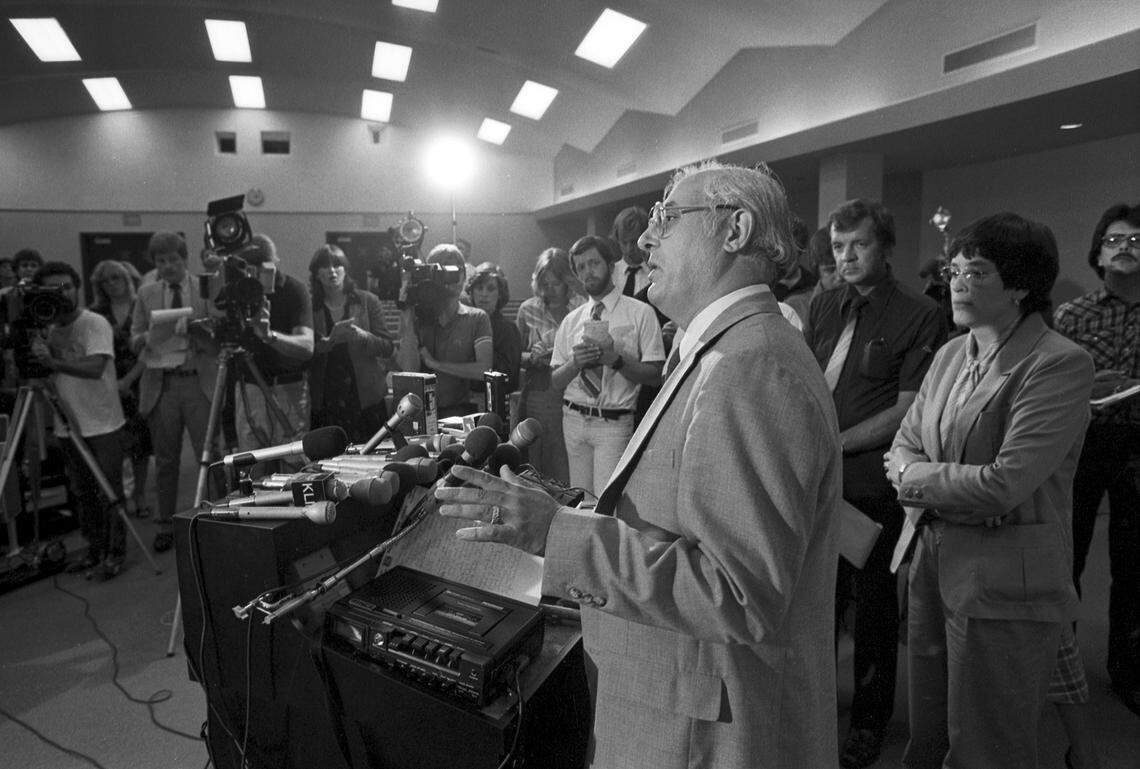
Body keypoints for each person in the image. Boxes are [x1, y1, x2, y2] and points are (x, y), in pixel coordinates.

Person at [438, 161, 842, 768]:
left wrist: (557, 533)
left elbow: (738, 593)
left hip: (701, 731)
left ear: (735, 231)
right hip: (675, 700)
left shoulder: (749, 366)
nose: (645, 239)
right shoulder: (721, 347)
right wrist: (568, 508)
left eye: (667, 218)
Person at [883, 212, 1094, 769]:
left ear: (1021, 285)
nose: (956, 282)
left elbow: (1004, 483)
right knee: (928, 731)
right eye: (954, 269)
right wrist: (911, 469)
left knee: (988, 741)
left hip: (1004, 574)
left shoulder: (1059, 363)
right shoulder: (953, 353)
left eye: (975, 272)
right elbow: (906, 438)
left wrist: (911, 478)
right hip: (932, 558)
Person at [804, 199, 946, 768]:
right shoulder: (823, 305)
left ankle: (868, 721)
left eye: (858, 245)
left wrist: (835, 443)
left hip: (871, 483)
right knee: (817, 599)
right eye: (838, 247)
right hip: (816, 481)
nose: (847, 257)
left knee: (873, 611)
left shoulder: (918, 313)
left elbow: (906, 411)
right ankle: (815, 704)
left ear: (884, 247)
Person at [1054, 202, 1140, 717]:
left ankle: (1128, 670)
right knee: (1068, 558)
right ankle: (1057, 664)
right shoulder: (1074, 314)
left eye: (1135, 239)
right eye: (1114, 240)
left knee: (1133, 565)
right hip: (1084, 444)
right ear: (1097, 252)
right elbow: (1055, 389)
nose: (1125, 248)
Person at [30, 262, 127, 580]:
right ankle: (94, 549)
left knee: (108, 491)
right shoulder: (49, 329)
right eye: (53, 289)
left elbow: (96, 367)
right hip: (67, 424)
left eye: (67, 287)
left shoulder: (94, 322)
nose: (62, 295)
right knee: (82, 493)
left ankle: (115, 555)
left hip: (103, 422)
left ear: (77, 287)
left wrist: (53, 361)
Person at [551, 235, 664, 497]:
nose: (588, 272)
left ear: (611, 265)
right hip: (574, 418)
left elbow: (655, 376)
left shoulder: (640, 313)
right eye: (580, 267)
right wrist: (575, 364)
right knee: (578, 499)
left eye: (593, 263)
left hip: (613, 423)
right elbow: (555, 381)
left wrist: (615, 359)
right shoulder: (572, 320)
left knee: (606, 503)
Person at [130, 232, 218, 552]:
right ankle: (166, 522)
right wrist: (148, 337)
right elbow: (134, 337)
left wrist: (199, 328)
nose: (168, 266)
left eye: (174, 260)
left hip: (198, 379)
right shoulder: (146, 293)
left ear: (185, 259)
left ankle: (214, 518)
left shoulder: (203, 288)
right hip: (162, 382)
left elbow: (219, 335)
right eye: (161, 261)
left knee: (208, 455)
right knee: (165, 460)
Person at [232, 233, 314, 472]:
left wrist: (269, 336)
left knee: (294, 466)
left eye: (262, 267)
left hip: (289, 388)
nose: (256, 275)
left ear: (274, 263)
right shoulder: (236, 293)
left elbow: (307, 348)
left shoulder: (293, 290)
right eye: (248, 269)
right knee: (251, 468)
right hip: (250, 388)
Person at [308, 244, 394, 443]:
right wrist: (326, 344)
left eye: (337, 265)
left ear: (345, 269)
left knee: (373, 453)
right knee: (330, 457)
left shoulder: (367, 301)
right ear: (316, 274)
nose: (332, 270)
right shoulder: (311, 307)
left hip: (366, 395)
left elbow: (388, 347)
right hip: (326, 395)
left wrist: (364, 336)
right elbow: (305, 353)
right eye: (325, 266)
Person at [396, 244, 491, 418]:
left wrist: (436, 365)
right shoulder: (416, 317)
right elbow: (408, 370)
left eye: (459, 269)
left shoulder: (477, 317)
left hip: (458, 411)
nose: (455, 277)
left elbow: (484, 369)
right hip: (418, 411)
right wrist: (407, 313)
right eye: (447, 270)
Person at [515, 248, 584, 484]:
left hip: (572, 390)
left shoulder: (580, 308)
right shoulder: (528, 308)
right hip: (538, 390)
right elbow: (516, 356)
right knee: (535, 455)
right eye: (544, 284)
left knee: (563, 458)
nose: (549, 290)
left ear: (567, 282)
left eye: (555, 284)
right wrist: (531, 356)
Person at [90, 259, 152, 520]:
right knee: (117, 445)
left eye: (117, 277)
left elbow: (152, 346)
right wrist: (115, 383)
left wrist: (129, 380)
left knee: (141, 444)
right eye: (106, 280)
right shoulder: (97, 312)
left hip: (140, 380)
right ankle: (121, 496)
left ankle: (140, 494)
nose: (112, 284)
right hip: (107, 383)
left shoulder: (144, 305)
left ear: (128, 278)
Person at [466, 261, 521, 391]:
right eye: (479, 288)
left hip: (494, 400)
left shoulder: (508, 329)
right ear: (472, 292)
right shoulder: (461, 324)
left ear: (500, 293)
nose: (484, 294)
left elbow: (511, 379)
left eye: (490, 289)